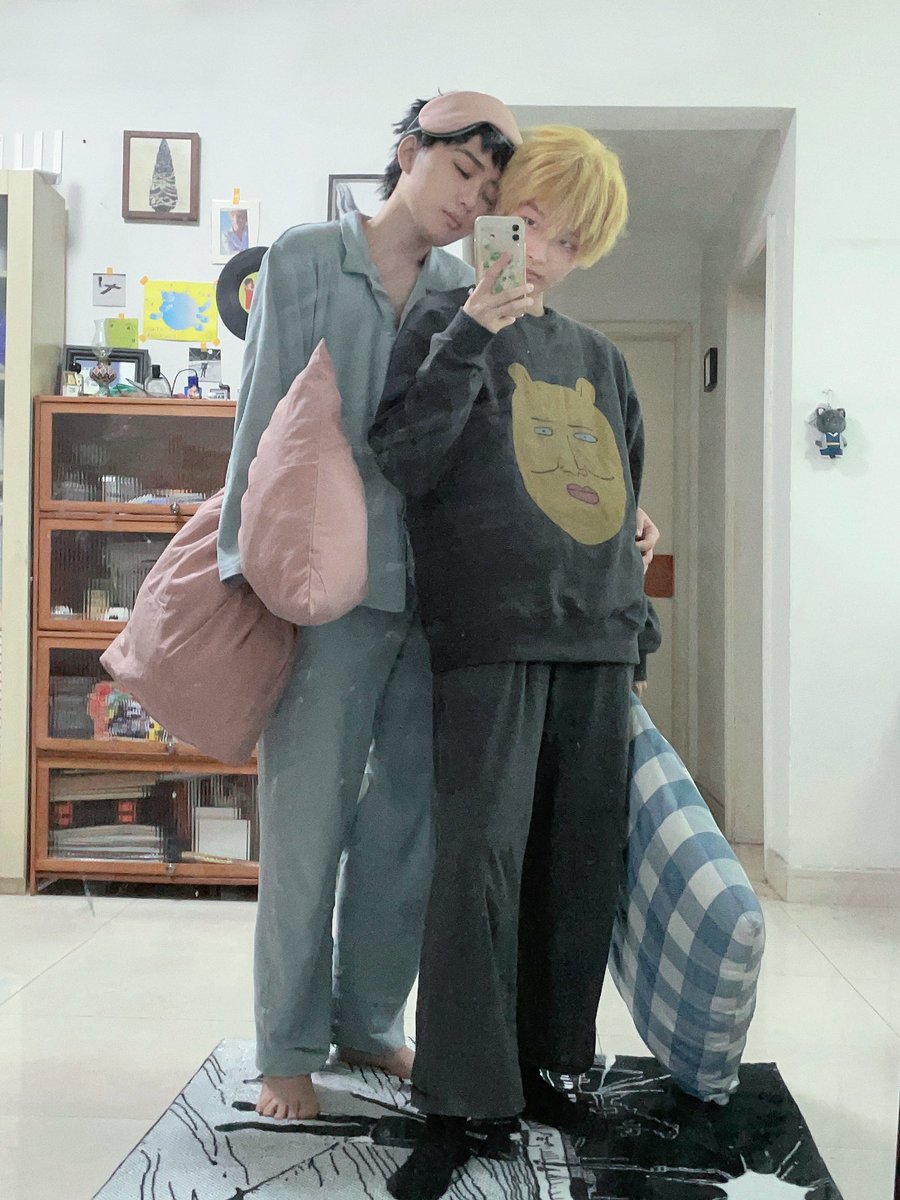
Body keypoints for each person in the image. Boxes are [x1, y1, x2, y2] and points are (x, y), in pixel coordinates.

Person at [217, 91, 525, 1123]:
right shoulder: (306, 257)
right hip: (318, 588)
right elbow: (261, 416)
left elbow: (485, 444)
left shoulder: (465, 287)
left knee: (406, 826)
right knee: (305, 824)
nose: (471, 198)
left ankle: (368, 1020)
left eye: (489, 188)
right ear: (408, 151)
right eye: (462, 171)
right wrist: (243, 569)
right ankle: (286, 1047)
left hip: (433, 594)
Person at [369, 125, 661, 1199]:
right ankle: (460, 1095)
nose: (541, 254)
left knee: (578, 867)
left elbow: (622, 502)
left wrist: (637, 591)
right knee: (478, 867)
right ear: (493, 216)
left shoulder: (604, 361)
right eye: (527, 224)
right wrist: (472, 334)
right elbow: (406, 458)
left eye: (568, 242)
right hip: (490, 634)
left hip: (598, 638)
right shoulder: (443, 320)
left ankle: (548, 1067)